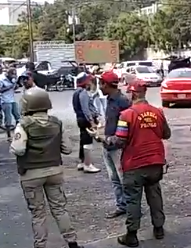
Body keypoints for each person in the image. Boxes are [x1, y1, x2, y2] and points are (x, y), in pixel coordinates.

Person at [89, 80, 171, 247]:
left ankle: (132, 235)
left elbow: (119, 141)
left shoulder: (127, 115)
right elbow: (166, 134)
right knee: (154, 195)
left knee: (133, 199)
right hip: (155, 162)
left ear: (133, 94)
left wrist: (103, 138)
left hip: (135, 164)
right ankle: (159, 228)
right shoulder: (158, 112)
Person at [10, 87, 83, 248]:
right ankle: (72, 242)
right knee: (59, 209)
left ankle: (40, 245)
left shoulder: (23, 125)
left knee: (38, 214)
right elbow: (67, 149)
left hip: (31, 174)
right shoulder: (57, 122)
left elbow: (18, 149)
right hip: (54, 171)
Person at [97, 71, 131, 218]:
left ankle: (131, 207)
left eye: (101, 84)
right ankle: (121, 205)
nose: (99, 87)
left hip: (118, 147)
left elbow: (128, 125)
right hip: (108, 145)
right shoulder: (110, 99)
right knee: (115, 179)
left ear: (106, 84)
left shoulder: (122, 101)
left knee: (124, 179)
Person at [72, 72, 101, 173]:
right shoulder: (83, 93)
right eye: (88, 80)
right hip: (85, 119)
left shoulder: (76, 92)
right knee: (88, 142)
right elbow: (86, 109)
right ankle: (88, 164)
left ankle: (82, 161)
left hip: (80, 119)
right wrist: (92, 121)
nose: (90, 82)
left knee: (83, 140)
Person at [0, 67, 20, 141]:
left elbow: (13, 88)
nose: (14, 76)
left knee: (17, 116)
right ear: (8, 74)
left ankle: (18, 133)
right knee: (8, 119)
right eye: (12, 74)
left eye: (15, 74)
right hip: (5, 101)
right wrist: (8, 87)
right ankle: (9, 136)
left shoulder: (13, 80)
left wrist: (15, 87)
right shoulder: (1, 80)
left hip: (12, 100)